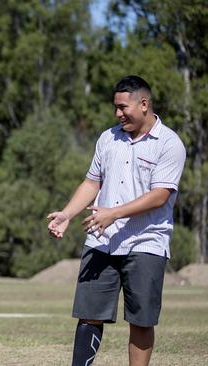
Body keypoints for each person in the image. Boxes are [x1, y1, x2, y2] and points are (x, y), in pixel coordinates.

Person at [47, 75, 186, 366]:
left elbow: (159, 195)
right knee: (89, 314)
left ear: (144, 104)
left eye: (123, 107)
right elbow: (91, 182)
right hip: (101, 240)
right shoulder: (108, 138)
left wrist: (114, 213)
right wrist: (67, 214)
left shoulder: (169, 144)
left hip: (146, 242)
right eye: (115, 107)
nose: (118, 114)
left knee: (141, 319)